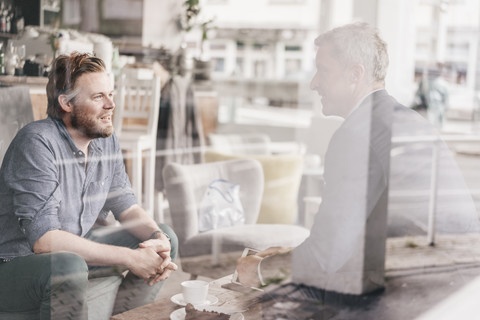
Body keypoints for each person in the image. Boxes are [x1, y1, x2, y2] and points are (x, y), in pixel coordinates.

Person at [236, 23, 477, 294]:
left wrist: (259, 270)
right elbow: (350, 241)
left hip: (416, 293)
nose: (314, 83)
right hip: (456, 285)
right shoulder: (406, 119)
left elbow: (326, 256)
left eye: (323, 71)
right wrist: (291, 253)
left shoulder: (356, 135)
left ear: (355, 75)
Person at [0, 52, 178, 319]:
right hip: (15, 265)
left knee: (166, 236)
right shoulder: (37, 143)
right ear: (67, 103)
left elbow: (126, 207)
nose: (111, 105)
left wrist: (157, 239)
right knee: (67, 265)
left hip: (74, 246)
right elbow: (44, 239)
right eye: (98, 97)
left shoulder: (105, 139)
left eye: (111, 94)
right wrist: (130, 258)